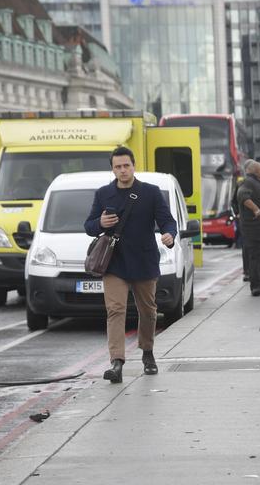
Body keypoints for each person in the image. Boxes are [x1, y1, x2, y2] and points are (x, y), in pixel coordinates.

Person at [84, 146, 177, 383]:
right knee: (115, 310)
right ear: (113, 169)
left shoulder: (151, 192)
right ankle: (117, 362)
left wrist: (169, 235)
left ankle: (147, 352)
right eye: (118, 167)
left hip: (144, 261)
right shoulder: (103, 193)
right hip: (114, 263)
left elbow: (167, 221)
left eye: (126, 165)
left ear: (134, 166)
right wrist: (100, 222)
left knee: (148, 311)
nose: (123, 170)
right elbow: (88, 226)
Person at [236, 160, 260, 296]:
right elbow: (242, 196)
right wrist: (256, 209)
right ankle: (256, 287)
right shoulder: (247, 182)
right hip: (256, 229)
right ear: (256, 171)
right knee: (256, 258)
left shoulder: (259, 183)